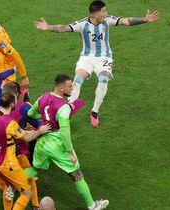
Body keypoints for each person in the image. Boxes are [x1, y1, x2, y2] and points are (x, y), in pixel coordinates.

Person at [34, 0, 159, 126]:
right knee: (78, 80)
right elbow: (64, 28)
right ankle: (69, 108)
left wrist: (145, 19)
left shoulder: (108, 20)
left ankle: (94, 111)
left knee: (103, 79)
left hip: (104, 57)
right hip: (87, 57)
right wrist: (48, 27)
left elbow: (125, 21)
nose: (106, 13)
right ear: (96, 14)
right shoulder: (82, 24)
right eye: (104, 11)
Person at [25, 74, 108, 210]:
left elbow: (30, 114)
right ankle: (93, 206)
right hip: (58, 144)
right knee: (76, 174)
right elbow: (64, 132)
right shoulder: (64, 107)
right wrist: (70, 152)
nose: (73, 88)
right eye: (70, 86)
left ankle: (11, 184)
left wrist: (46, 117)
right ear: (61, 88)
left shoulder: (42, 97)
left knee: (35, 169)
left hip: (43, 142)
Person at [0, 92, 49, 210]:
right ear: (11, 104)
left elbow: (14, 133)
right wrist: (40, 131)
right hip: (8, 163)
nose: (18, 102)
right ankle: (34, 205)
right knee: (26, 193)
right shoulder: (10, 123)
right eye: (15, 100)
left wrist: (28, 132)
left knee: (10, 187)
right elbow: (27, 138)